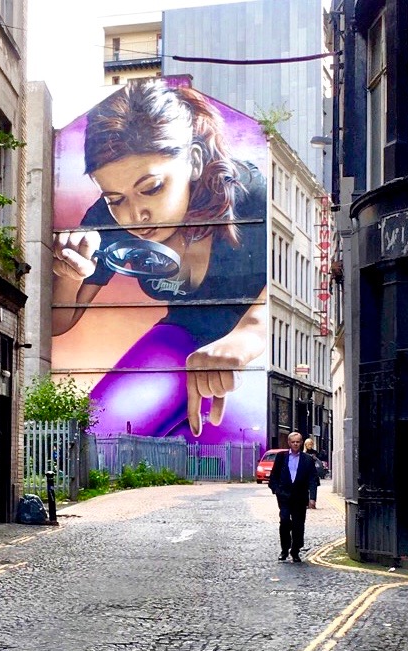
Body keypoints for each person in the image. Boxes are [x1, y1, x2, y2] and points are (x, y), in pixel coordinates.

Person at [52, 78, 267, 441]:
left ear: (194, 161)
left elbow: (285, 284)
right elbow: (59, 324)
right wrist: (71, 274)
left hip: (252, 349)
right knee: (95, 437)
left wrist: (250, 333)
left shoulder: (250, 192)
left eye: (151, 188)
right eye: (116, 198)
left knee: (228, 446)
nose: (135, 215)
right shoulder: (105, 218)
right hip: (178, 336)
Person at [268, 432, 319, 563]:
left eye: (298, 442)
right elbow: (273, 476)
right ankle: (284, 549)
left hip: (300, 497)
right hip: (284, 496)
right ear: (289, 443)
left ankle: (295, 550)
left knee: (298, 524)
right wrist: (277, 490)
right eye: (293, 442)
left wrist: (312, 498)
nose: (295, 444)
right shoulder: (281, 457)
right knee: (284, 520)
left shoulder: (307, 459)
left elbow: (313, 479)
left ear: (301, 442)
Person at [304, 437, 322, 508]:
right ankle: (306, 503)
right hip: (305, 473)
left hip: (314, 472)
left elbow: (319, 461)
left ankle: (312, 503)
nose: (310, 445)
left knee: (313, 487)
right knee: (305, 488)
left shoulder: (315, 452)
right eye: (308, 444)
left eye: (311, 444)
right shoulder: (303, 453)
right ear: (305, 445)